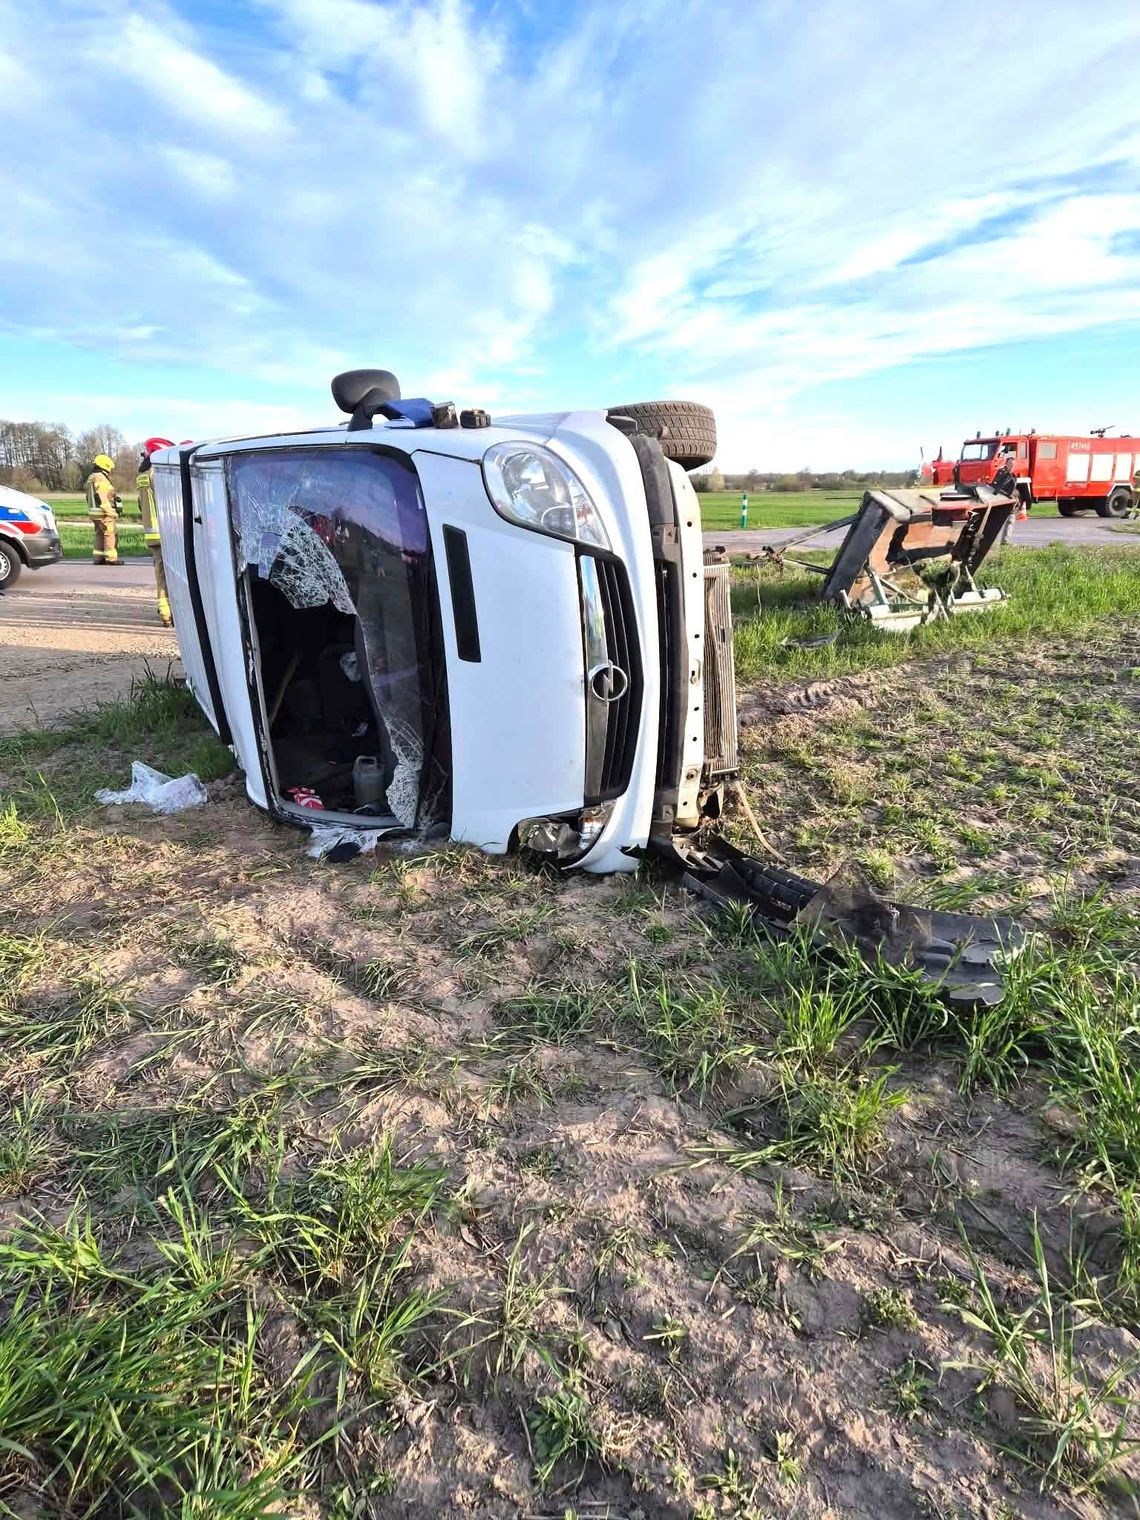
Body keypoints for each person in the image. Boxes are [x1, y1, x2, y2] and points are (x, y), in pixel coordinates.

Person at [137, 437, 174, 625]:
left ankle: (165, 611)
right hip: (168, 532)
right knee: (174, 572)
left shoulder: (142, 476)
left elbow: (140, 505)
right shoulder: (159, 475)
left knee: (160, 573)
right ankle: (173, 611)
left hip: (152, 533)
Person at [84, 454, 121, 566]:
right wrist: (111, 512)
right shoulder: (101, 477)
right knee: (110, 533)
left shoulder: (91, 477)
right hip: (103, 513)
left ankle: (98, 558)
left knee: (99, 534)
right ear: (105, 466)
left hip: (94, 512)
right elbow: (101, 496)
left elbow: (89, 496)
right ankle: (111, 558)